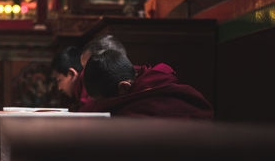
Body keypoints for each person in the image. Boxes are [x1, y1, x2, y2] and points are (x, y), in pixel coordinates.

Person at [83, 50, 213, 119]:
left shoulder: (143, 109)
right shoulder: (136, 80)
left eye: (102, 102)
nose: (99, 106)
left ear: (123, 87)